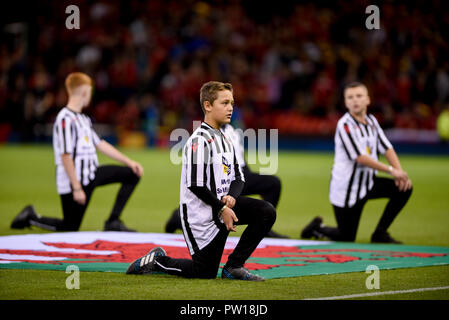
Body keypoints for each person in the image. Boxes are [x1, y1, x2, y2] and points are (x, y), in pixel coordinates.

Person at [126, 81, 276, 280]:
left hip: (221, 208)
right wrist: (222, 209)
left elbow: (239, 177)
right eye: (224, 103)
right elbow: (195, 185)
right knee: (203, 273)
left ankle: (234, 266)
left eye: (232, 102)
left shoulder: (225, 138)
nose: (230, 107)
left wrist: (231, 196)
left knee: (265, 212)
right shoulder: (199, 140)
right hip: (201, 216)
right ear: (207, 106)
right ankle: (157, 261)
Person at [11, 72, 144, 232]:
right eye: (89, 91)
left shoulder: (83, 119)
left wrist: (130, 162)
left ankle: (113, 221)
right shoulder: (65, 119)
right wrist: (77, 188)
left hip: (91, 174)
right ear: (84, 92)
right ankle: (30, 217)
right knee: (70, 227)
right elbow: (65, 155)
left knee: (132, 174)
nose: (90, 95)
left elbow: (100, 144)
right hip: (75, 181)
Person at [301, 82, 413, 243]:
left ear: (368, 100)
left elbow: (386, 147)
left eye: (359, 96)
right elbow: (360, 157)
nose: (355, 100)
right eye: (350, 97)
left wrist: (399, 172)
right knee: (346, 237)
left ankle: (380, 234)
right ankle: (317, 228)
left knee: (404, 188)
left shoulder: (372, 121)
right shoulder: (345, 125)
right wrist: (391, 170)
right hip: (347, 189)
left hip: (367, 183)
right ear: (346, 103)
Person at [164, 122, 288, 238]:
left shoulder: (231, 130)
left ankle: (264, 226)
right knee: (272, 184)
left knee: (272, 184)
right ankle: (180, 216)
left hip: (238, 176)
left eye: (230, 104)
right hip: (224, 177)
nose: (229, 108)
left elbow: (240, 159)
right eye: (224, 103)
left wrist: (249, 179)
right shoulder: (207, 134)